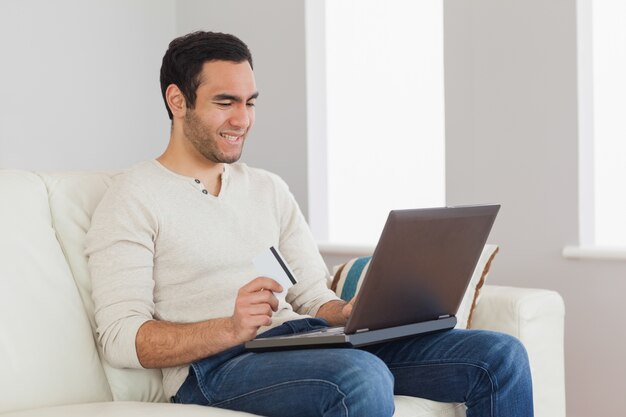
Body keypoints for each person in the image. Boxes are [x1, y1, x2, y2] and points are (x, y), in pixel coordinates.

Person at [86, 31, 533, 417]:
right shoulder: (133, 196)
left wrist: (350, 312)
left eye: (249, 102)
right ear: (177, 100)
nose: (242, 119)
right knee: (358, 377)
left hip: (305, 342)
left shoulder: (267, 189)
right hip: (216, 367)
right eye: (225, 102)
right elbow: (122, 338)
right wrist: (230, 327)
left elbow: (311, 296)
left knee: (500, 355)